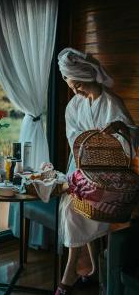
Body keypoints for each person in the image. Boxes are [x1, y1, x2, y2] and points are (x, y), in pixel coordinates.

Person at [55, 47, 139, 295]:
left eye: (76, 85)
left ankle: (70, 274)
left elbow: (132, 136)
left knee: (74, 208)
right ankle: (92, 269)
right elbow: (74, 138)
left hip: (110, 172)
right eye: (72, 87)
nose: (75, 91)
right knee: (72, 201)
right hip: (84, 166)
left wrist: (122, 130)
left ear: (85, 77)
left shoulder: (112, 103)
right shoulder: (74, 105)